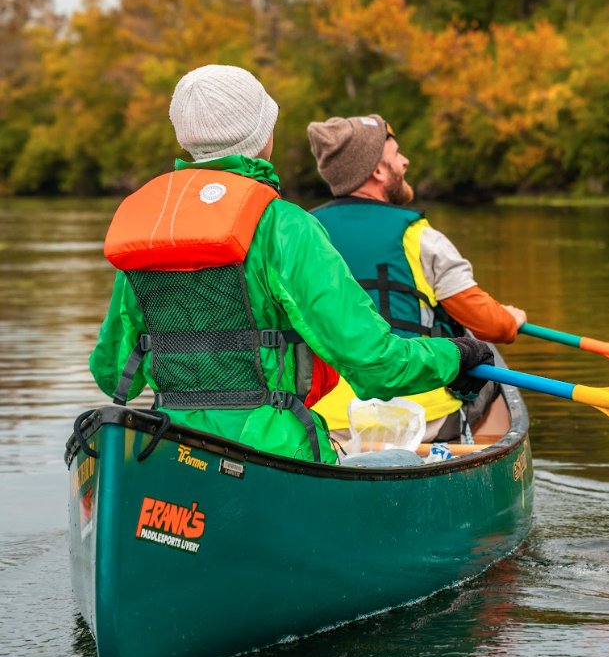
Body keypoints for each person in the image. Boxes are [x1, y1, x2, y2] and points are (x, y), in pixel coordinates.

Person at [89, 65, 493, 465]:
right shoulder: (286, 225)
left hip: (172, 449)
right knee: (399, 464)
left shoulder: (152, 229)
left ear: (184, 137)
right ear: (264, 136)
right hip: (274, 455)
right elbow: (378, 367)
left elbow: (111, 373)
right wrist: (457, 356)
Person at [306, 114, 527, 443]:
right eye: (397, 154)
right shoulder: (418, 237)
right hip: (422, 420)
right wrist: (512, 317)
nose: (405, 162)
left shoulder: (302, 235)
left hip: (327, 421)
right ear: (379, 171)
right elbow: (492, 327)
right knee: (487, 363)